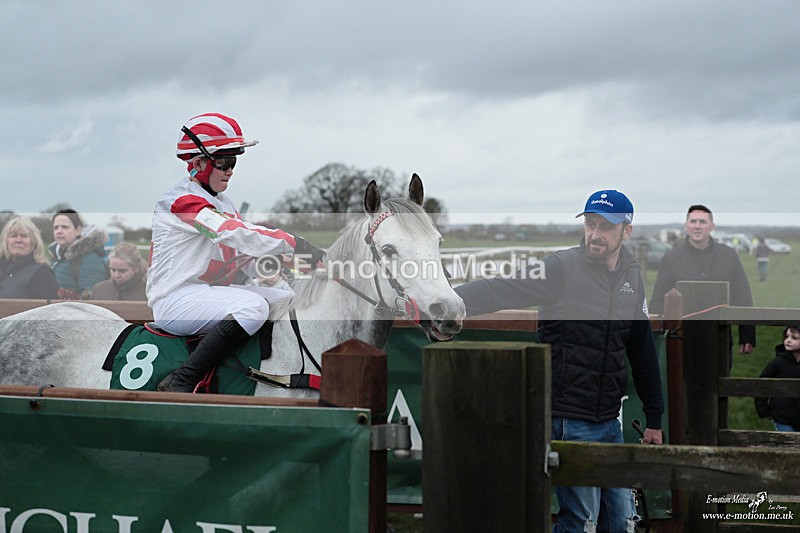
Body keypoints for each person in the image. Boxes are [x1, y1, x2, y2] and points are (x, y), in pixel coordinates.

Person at [454, 190, 664, 532]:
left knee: (623, 523)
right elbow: (499, 288)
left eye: (606, 227)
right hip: (569, 419)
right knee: (581, 523)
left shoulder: (632, 277)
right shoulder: (560, 268)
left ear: (626, 231)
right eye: (591, 224)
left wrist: (654, 417)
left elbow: (641, 350)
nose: (595, 234)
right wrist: (444, 301)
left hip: (610, 421)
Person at [148, 112, 325, 393]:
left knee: (289, 300)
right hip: (175, 300)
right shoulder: (182, 201)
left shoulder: (223, 202)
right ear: (197, 164)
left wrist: (300, 267)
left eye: (234, 162)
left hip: (206, 295)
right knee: (252, 308)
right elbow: (232, 232)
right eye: (224, 162)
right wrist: (294, 241)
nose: (230, 170)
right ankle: (184, 380)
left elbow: (241, 256)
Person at [649, 205, 755, 354]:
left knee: (718, 376)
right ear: (686, 226)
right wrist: (653, 334)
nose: (697, 226)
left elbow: (742, 295)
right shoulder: (671, 258)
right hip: (681, 337)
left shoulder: (728, 256)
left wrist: (747, 335)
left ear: (712, 226)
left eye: (703, 222)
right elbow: (659, 297)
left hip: (720, 336)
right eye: (693, 222)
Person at [50, 209, 109, 300]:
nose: (59, 231)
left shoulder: (90, 260)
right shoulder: (58, 258)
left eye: (65, 227)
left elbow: (91, 299)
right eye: (56, 227)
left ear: (78, 230)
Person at [0, 216, 58, 299]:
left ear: (34, 242)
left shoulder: (42, 273)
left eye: (24, 236)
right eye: (13, 236)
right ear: (6, 241)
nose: (18, 240)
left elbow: (48, 310)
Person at [754, 326, 800, 432]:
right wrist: (764, 410)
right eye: (787, 336)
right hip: (782, 417)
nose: (788, 340)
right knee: (789, 446)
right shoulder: (778, 363)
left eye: (794, 338)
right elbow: (761, 384)